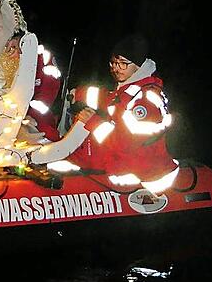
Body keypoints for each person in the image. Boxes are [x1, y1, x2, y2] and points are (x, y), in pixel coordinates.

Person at [66, 34, 179, 193]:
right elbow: (109, 98)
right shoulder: (130, 88)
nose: (116, 68)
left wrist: (93, 121)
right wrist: (78, 93)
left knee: (68, 162)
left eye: (123, 63)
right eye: (113, 63)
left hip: (138, 172)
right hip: (125, 163)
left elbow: (124, 143)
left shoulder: (145, 101)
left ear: (138, 66)